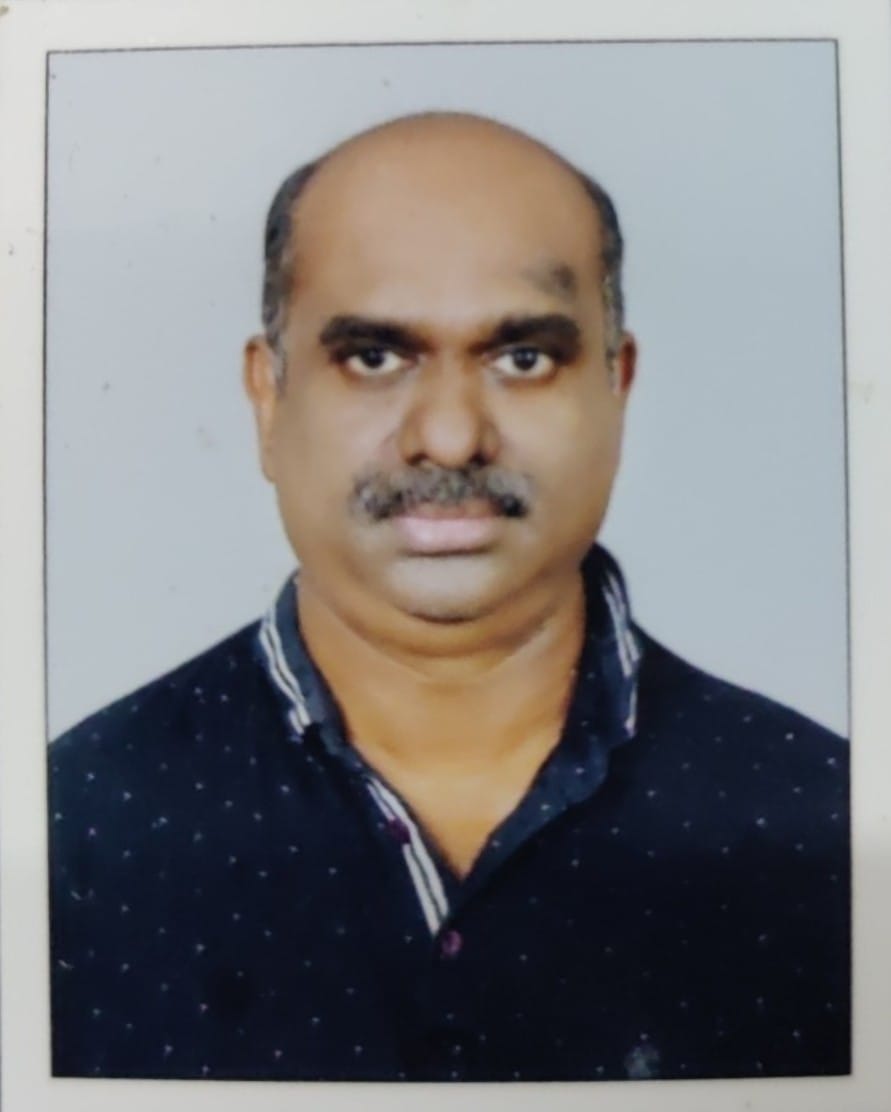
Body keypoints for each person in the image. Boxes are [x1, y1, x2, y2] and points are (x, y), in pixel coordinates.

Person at [49, 112, 849, 1083]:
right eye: (374, 356)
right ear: (268, 398)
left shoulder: (828, 822)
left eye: (523, 357)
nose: (450, 436)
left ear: (617, 386)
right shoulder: (70, 826)